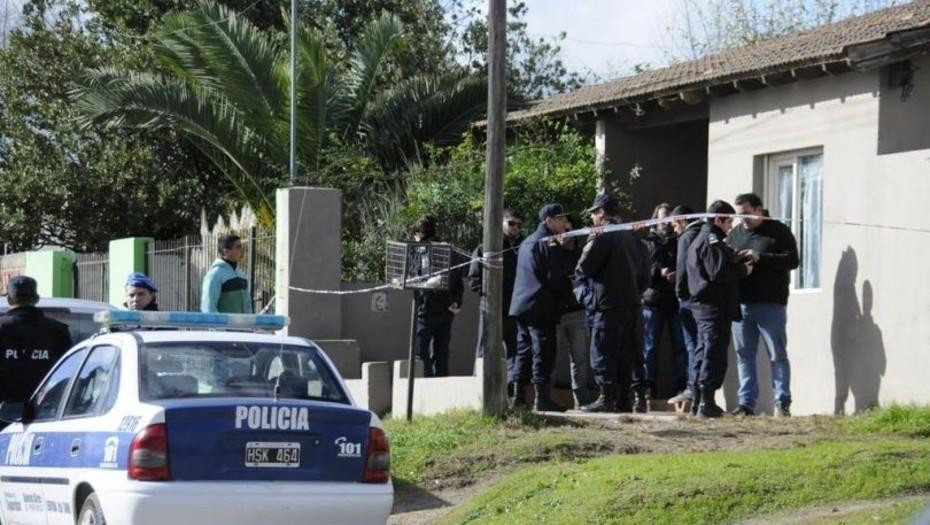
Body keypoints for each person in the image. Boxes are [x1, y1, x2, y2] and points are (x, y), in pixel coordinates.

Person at [728, 193, 799, 417]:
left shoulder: (779, 231)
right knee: (744, 355)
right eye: (739, 216)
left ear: (759, 210)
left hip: (771, 303)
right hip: (742, 304)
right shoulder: (736, 233)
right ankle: (747, 403)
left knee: (777, 355)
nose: (743, 220)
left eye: (747, 214)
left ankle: (782, 403)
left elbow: (792, 260)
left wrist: (761, 257)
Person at [576, 194, 648, 413]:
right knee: (626, 353)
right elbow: (645, 275)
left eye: (594, 214)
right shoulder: (632, 236)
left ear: (601, 213)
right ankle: (624, 400)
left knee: (603, 353)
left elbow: (584, 267)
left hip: (607, 305)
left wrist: (584, 295)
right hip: (632, 304)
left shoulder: (602, 235)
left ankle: (606, 398)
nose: (593, 219)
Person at [686, 200, 753, 417]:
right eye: (729, 221)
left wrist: (735, 257)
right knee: (712, 353)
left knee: (702, 351)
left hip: (705, 306)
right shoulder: (711, 238)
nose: (730, 226)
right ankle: (706, 402)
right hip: (713, 306)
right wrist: (744, 269)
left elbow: (717, 264)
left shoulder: (703, 239)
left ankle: (698, 401)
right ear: (719, 219)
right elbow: (718, 272)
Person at [509, 203, 574, 412]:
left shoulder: (528, 240)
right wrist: (570, 294)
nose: (565, 224)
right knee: (543, 351)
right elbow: (554, 275)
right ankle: (542, 398)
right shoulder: (548, 242)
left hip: (522, 304)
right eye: (561, 219)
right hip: (541, 305)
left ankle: (518, 397)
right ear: (549, 221)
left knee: (524, 351)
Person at [467, 209, 525, 398]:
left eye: (518, 224)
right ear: (501, 223)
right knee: (485, 349)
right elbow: (474, 279)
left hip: (516, 306)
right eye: (511, 223)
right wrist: (489, 295)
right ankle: (479, 391)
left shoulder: (523, 246)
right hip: (491, 307)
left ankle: (513, 391)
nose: (515, 228)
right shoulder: (486, 247)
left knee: (516, 350)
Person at [0, 276, 73, 415]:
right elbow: (68, 373)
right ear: (36, 299)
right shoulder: (58, 331)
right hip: (46, 414)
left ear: (9, 300)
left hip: (3, 415)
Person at [641, 203, 686, 403]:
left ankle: (681, 388)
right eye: (662, 218)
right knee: (650, 348)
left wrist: (678, 275)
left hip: (676, 300)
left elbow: (687, 264)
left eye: (669, 218)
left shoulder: (681, 240)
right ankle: (648, 388)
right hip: (652, 300)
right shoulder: (647, 242)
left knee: (681, 347)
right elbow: (641, 270)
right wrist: (658, 272)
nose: (666, 222)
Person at [411, 216, 464, 378]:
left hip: (428, 309)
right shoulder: (449, 249)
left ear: (419, 233)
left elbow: (431, 282)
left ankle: (426, 384)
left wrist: (449, 303)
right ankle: (442, 383)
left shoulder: (422, 251)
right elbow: (457, 278)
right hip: (447, 312)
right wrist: (456, 302)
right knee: (442, 352)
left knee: (421, 352)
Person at [557, 216, 594, 409]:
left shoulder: (581, 254)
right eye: (561, 229)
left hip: (578, 312)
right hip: (555, 312)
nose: (564, 233)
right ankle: (543, 396)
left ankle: (582, 399)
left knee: (580, 358)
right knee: (548, 356)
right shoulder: (550, 252)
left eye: (568, 229)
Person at [669, 204, 702, 413]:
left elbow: (682, 268)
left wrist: (680, 293)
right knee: (701, 345)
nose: (674, 229)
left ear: (681, 220)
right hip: (705, 298)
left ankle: (693, 387)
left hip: (689, 299)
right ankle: (698, 388)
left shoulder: (687, 237)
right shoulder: (707, 232)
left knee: (692, 345)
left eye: (674, 224)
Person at [201, 233, 252, 314]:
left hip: (243, 326)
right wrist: (221, 327)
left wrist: (249, 324)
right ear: (226, 252)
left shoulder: (241, 274)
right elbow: (208, 307)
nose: (242, 250)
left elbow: (248, 306)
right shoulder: (215, 275)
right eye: (238, 247)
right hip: (224, 326)